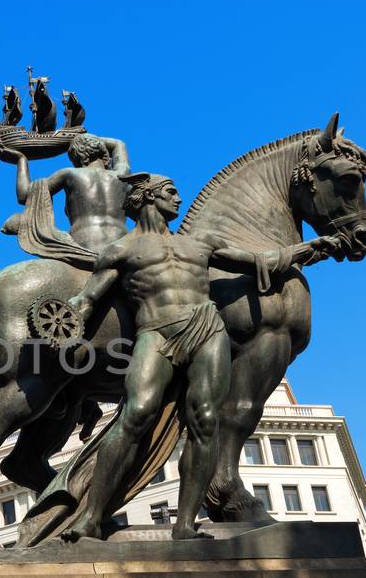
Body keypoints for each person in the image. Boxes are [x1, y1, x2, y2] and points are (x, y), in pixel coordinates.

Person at [62, 173, 339, 541]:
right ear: (148, 197)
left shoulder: (201, 243)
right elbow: (88, 300)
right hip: (156, 331)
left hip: (207, 331)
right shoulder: (121, 250)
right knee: (136, 413)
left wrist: (314, 247)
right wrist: (67, 327)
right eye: (171, 192)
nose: (179, 199)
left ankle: (185, 524)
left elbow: (263, 261)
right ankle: (91, 517)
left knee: (205, 421)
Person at [0, 132, 132, 264]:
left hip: (83, 246)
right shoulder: (121, 174)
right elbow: (118, 144)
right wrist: (85, 139)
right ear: (102, 151)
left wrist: (21, 159)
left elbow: (24, 195)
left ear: (80, 157)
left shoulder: (69, 174)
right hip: (122, 246)